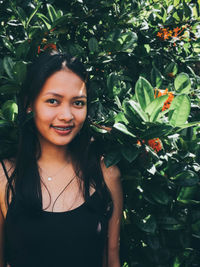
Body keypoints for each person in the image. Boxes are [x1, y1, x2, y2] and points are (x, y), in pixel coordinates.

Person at [0, 51, 123, 267]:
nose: (66, 115)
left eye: (78, 103)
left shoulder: (106, 174)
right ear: (30, 104)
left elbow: (112, 258)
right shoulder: (4, 177)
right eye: (53, 101)